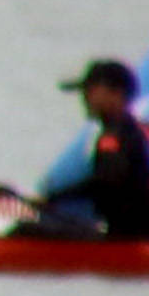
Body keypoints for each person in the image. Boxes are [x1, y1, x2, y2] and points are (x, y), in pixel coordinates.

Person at [15, 59, 148, 239]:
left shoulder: (115, 135)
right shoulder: (125, 129)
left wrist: (53, 198)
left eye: (91, 91)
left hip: (126, 234)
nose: (84, 97)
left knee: (25, 230)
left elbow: (106, 182)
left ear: (117, 94)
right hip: (127, 229)